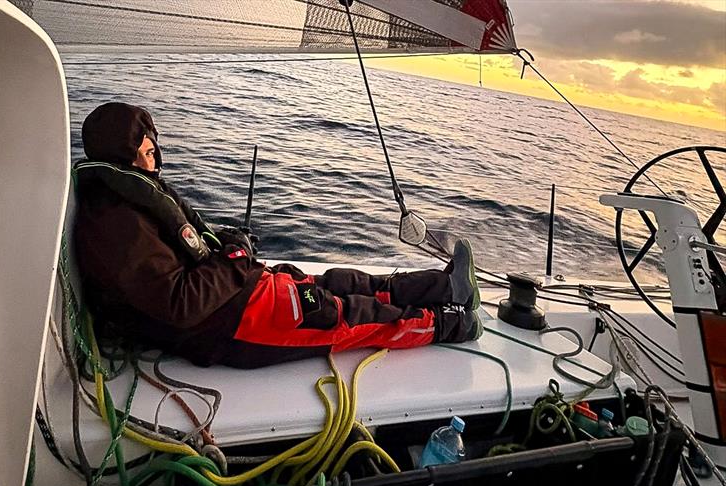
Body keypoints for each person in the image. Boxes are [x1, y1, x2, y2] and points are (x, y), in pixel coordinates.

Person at [74, 102, 482, 369]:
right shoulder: (117, 225)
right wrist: (235, 257)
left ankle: (447, 287)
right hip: (233, 324)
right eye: (149, 153)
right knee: (344, 314)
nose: (157, 161)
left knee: (342, 282)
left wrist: (229, 244)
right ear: (126, 157)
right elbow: (181, 303)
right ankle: (450, 323)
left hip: (239, 294)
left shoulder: (121, 202)